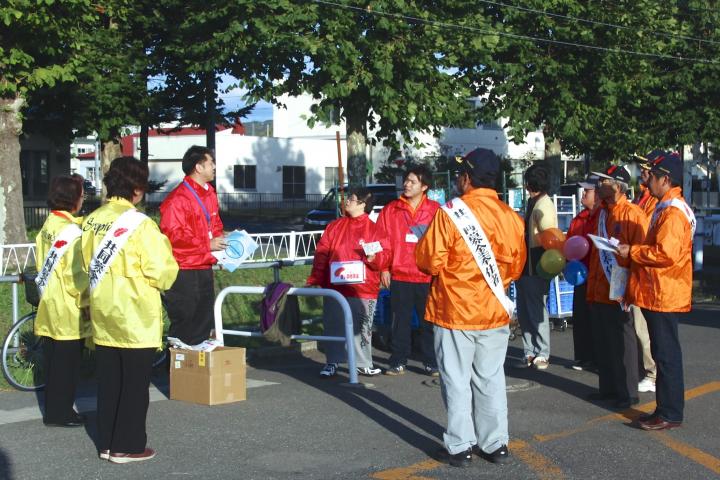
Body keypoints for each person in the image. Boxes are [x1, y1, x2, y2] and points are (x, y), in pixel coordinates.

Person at [416, 148, 526, 467]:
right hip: (493, 310)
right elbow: (517, 268)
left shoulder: (450, 213)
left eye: (460, 173)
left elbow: (428, 261)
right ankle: (496, 444)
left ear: (467, 178)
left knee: (456, 379)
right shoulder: (511, 217)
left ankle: (460, 446)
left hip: (454, 310)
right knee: (490, 377)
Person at [82, 156, 178, 463]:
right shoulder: (142, 226)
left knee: (109, 381)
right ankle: (128, 445)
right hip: (135, 314)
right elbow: (162, 272)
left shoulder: (92, 220)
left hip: (103, 310)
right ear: (137, 188)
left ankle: (107, 442)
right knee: (135, 385)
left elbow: (83, 266)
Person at [618, 152, 695, 431]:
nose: (645, 179)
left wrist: (632, 251)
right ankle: (665, 409)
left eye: (651, 175)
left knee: (666, 355)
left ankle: (671, 412)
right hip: (659, 290)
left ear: (666, 179)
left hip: (665, 292)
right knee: (664, 354)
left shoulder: (672, 211)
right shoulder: (666, 206)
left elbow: (666, 254)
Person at [306, 187, 386, 378]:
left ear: (363, 204)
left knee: (362, 327)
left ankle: (363, 362)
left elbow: (384, 257)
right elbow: (322, 253)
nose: (347, 201)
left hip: (363, 288)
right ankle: (332, 361)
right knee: (333, 324)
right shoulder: (335, 226)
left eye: (351, 198)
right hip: (335, 286)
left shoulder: (374, 230)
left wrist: (375, 258)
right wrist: (316, 277)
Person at [586, 164, 647, 410]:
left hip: (620, 286)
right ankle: (608, 388)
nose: (599, 186)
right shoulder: (602, 213)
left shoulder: (631, 214)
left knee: (624, 341)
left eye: (605, 182)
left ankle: (628, 392)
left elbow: (640, 252)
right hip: (600, 286)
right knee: (603, 340)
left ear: (619, 186)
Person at [34, 174, 89, 427]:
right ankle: (61, 412)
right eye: (81, 193)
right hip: (69, 307)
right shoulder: (72, 232)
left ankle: (56, 409)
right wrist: (88, 303)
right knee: (67, 364)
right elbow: (75, 275)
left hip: (49, 301)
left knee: (54, 361)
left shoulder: (49, 224)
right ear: (74, 199)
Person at [375, 165, 440, 376]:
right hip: (400, 274)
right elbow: (381, 240)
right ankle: (398, 360)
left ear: (425, 186)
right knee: (399, 322)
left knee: (429, 321)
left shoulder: (435, 210)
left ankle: (431, 361)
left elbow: (443, 242)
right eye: (406, 180)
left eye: (412, 181)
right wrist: (384, 267)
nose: (406, 184)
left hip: (426, 275)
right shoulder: (391, 210)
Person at [160, 146, 225, 345]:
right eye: (211, 162)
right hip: (184, 270)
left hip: (204, 265)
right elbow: (173, 236)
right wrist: (208, 244)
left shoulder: (209, 194)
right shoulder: (178, 198)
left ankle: (195, 372)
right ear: (198, 167)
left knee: (203, 322)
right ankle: (179, 371)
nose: (214, 167)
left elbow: (215, 226)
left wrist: (222, 247)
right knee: (186, 325)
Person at [514, 163, 557, 370]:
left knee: (536, 309)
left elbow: (549, 236)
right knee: (525, 310)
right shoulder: (534, 201)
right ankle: (530, 351)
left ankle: (542, 352)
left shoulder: (543, 204)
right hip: (525, 264)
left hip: (536, 264)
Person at [631, 151, 661, 394]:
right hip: (637, 267)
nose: (642, 172)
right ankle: (646, 369)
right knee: (638, 326)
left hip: (647, 269)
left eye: (646, 169)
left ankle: (652, 373)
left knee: (645, 327)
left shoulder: (653, 202)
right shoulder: (643, 197)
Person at [566, 176, 600, 371]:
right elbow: (570, 243)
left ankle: (596, 358)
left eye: (588, 191)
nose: (584, 193)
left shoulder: (601, 217)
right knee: (580, 316)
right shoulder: (578, 219)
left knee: (596, 318)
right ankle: (583, 357)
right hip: (579, 275)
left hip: (596, 274)